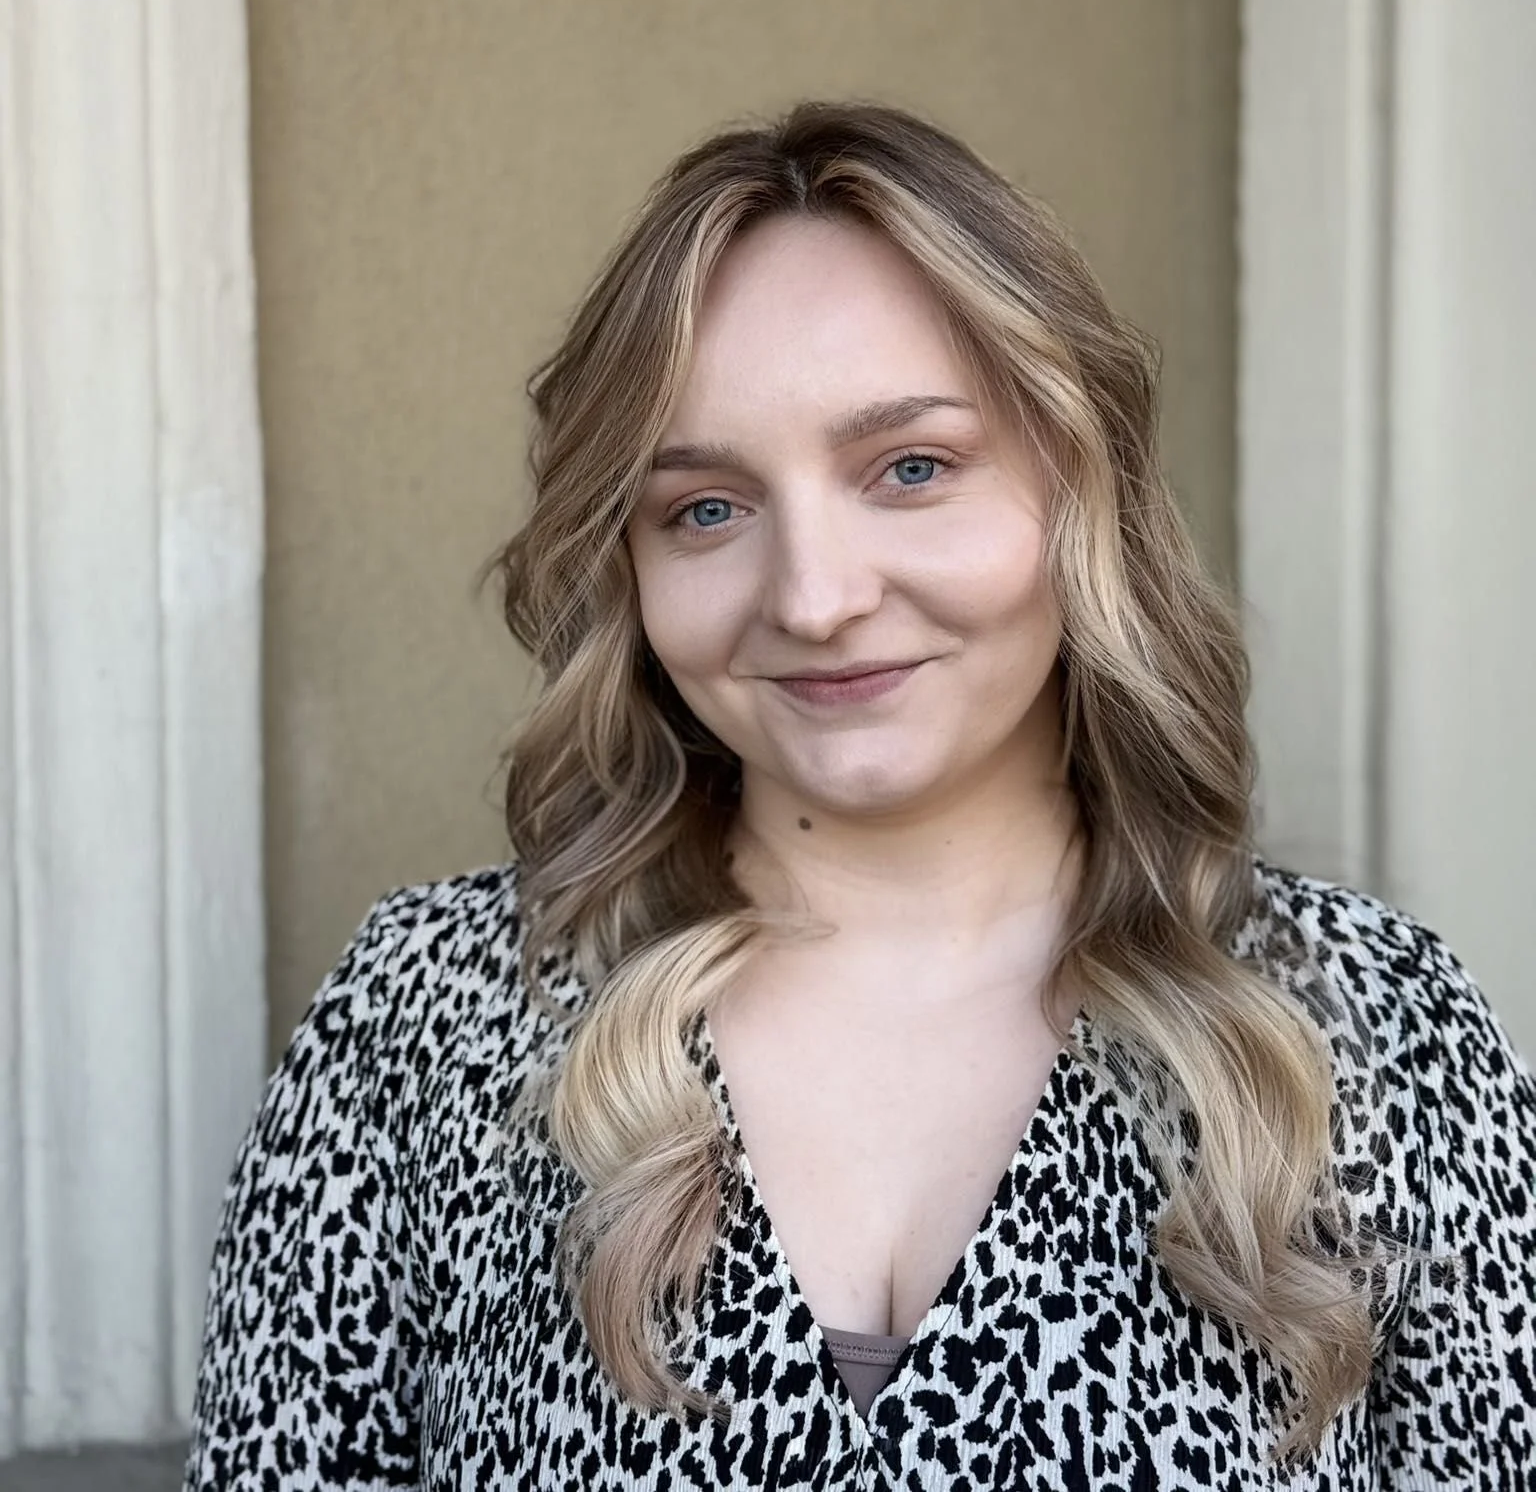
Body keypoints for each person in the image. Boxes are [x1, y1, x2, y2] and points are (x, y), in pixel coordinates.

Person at [182, 101, 1536, 1491]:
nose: (816, 598)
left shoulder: (1372, 1026)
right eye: (704, 507)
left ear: (1078, 489)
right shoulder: (426, 1017)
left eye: (911, 469)